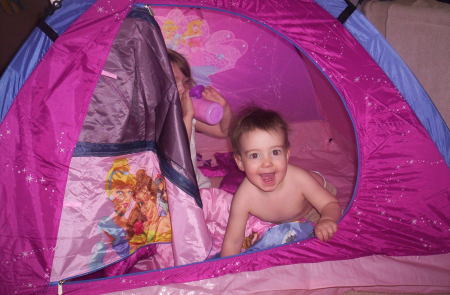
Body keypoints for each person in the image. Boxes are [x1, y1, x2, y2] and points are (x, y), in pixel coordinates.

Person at [220, 107, 341, 257]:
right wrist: (225, 269)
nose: (267, 163)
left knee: (329, 236)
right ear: (240, 162)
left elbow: (330, 204)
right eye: (255, 155)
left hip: (311, 207)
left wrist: (327, 219)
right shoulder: (244, 197)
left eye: (275, 152)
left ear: (287, 154)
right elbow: (233, 241)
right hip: (284, 217)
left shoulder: (298, 179)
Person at [167, 49, 233, 188]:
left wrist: (225, 109)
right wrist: (187, 115)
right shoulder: (151, 122)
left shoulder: (186, 113)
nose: (182, 88)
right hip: (170, 189)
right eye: (174, 81)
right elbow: (177, 153)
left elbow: (223, 131)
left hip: (195, 184)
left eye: (185, 82)